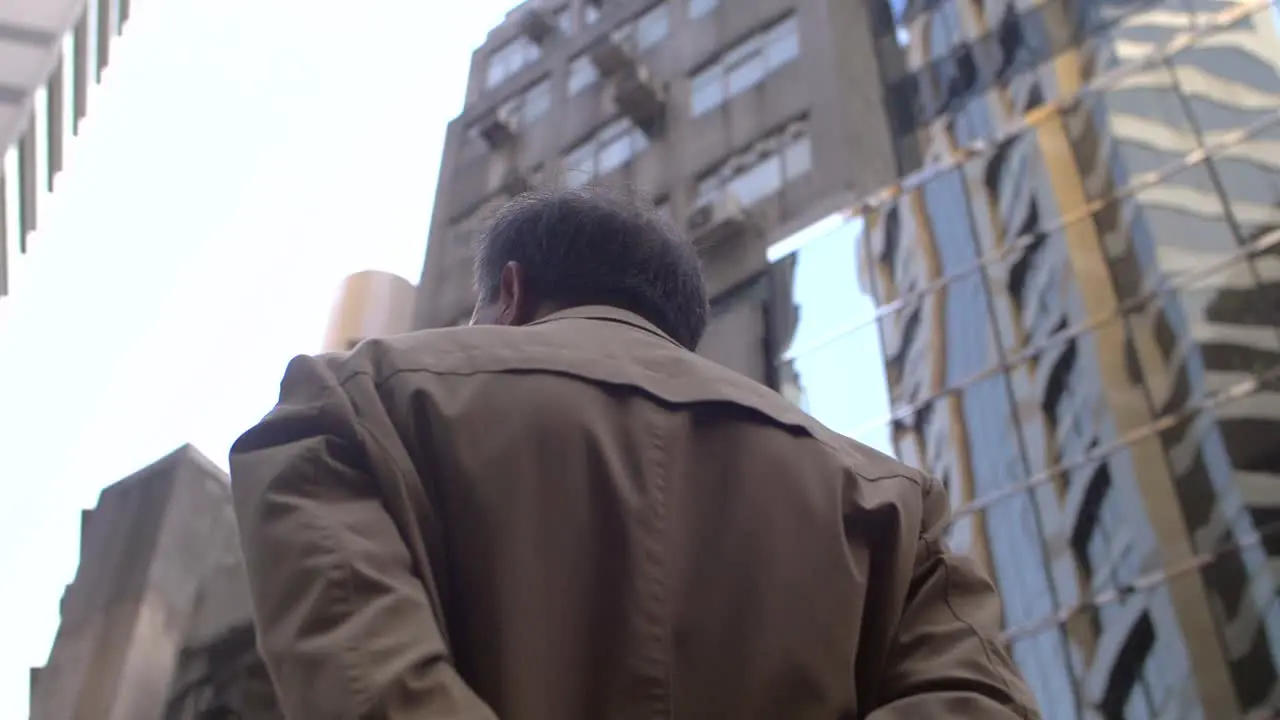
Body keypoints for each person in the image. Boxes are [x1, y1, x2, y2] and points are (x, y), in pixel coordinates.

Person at [229, 188, 1040, 719]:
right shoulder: (891, 501)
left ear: (509, 294)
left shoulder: (352, 404)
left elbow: (365, 683)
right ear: (677, 327)